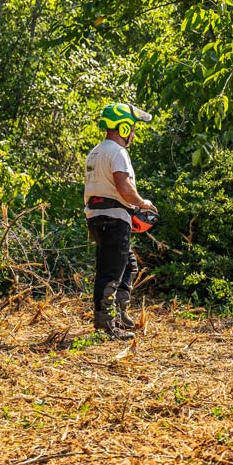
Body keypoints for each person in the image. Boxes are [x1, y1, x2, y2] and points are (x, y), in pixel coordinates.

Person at [83, 103, 157, 339]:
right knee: (111, 272)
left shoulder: (96, 151)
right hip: (114, 219)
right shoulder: (118, 152)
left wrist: (130, 209)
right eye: (132, 129)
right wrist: (142, 204)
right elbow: (123, 186)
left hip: (98, 218)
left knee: (127, 264)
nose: (133, 134)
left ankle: (119, 314)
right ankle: (106, 325)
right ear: (123, 127)